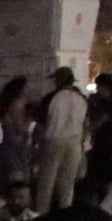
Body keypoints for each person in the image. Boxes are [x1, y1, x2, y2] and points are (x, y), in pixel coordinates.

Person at [38, 67, 89, 212]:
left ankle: (42, 216)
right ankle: (65, 217)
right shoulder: (81, 98)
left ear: (58, 81)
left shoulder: (51, 98)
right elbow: (86, 124)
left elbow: (42, 123)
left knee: (46, 184)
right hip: (74, 144)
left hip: (53, 141)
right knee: (67, 186)